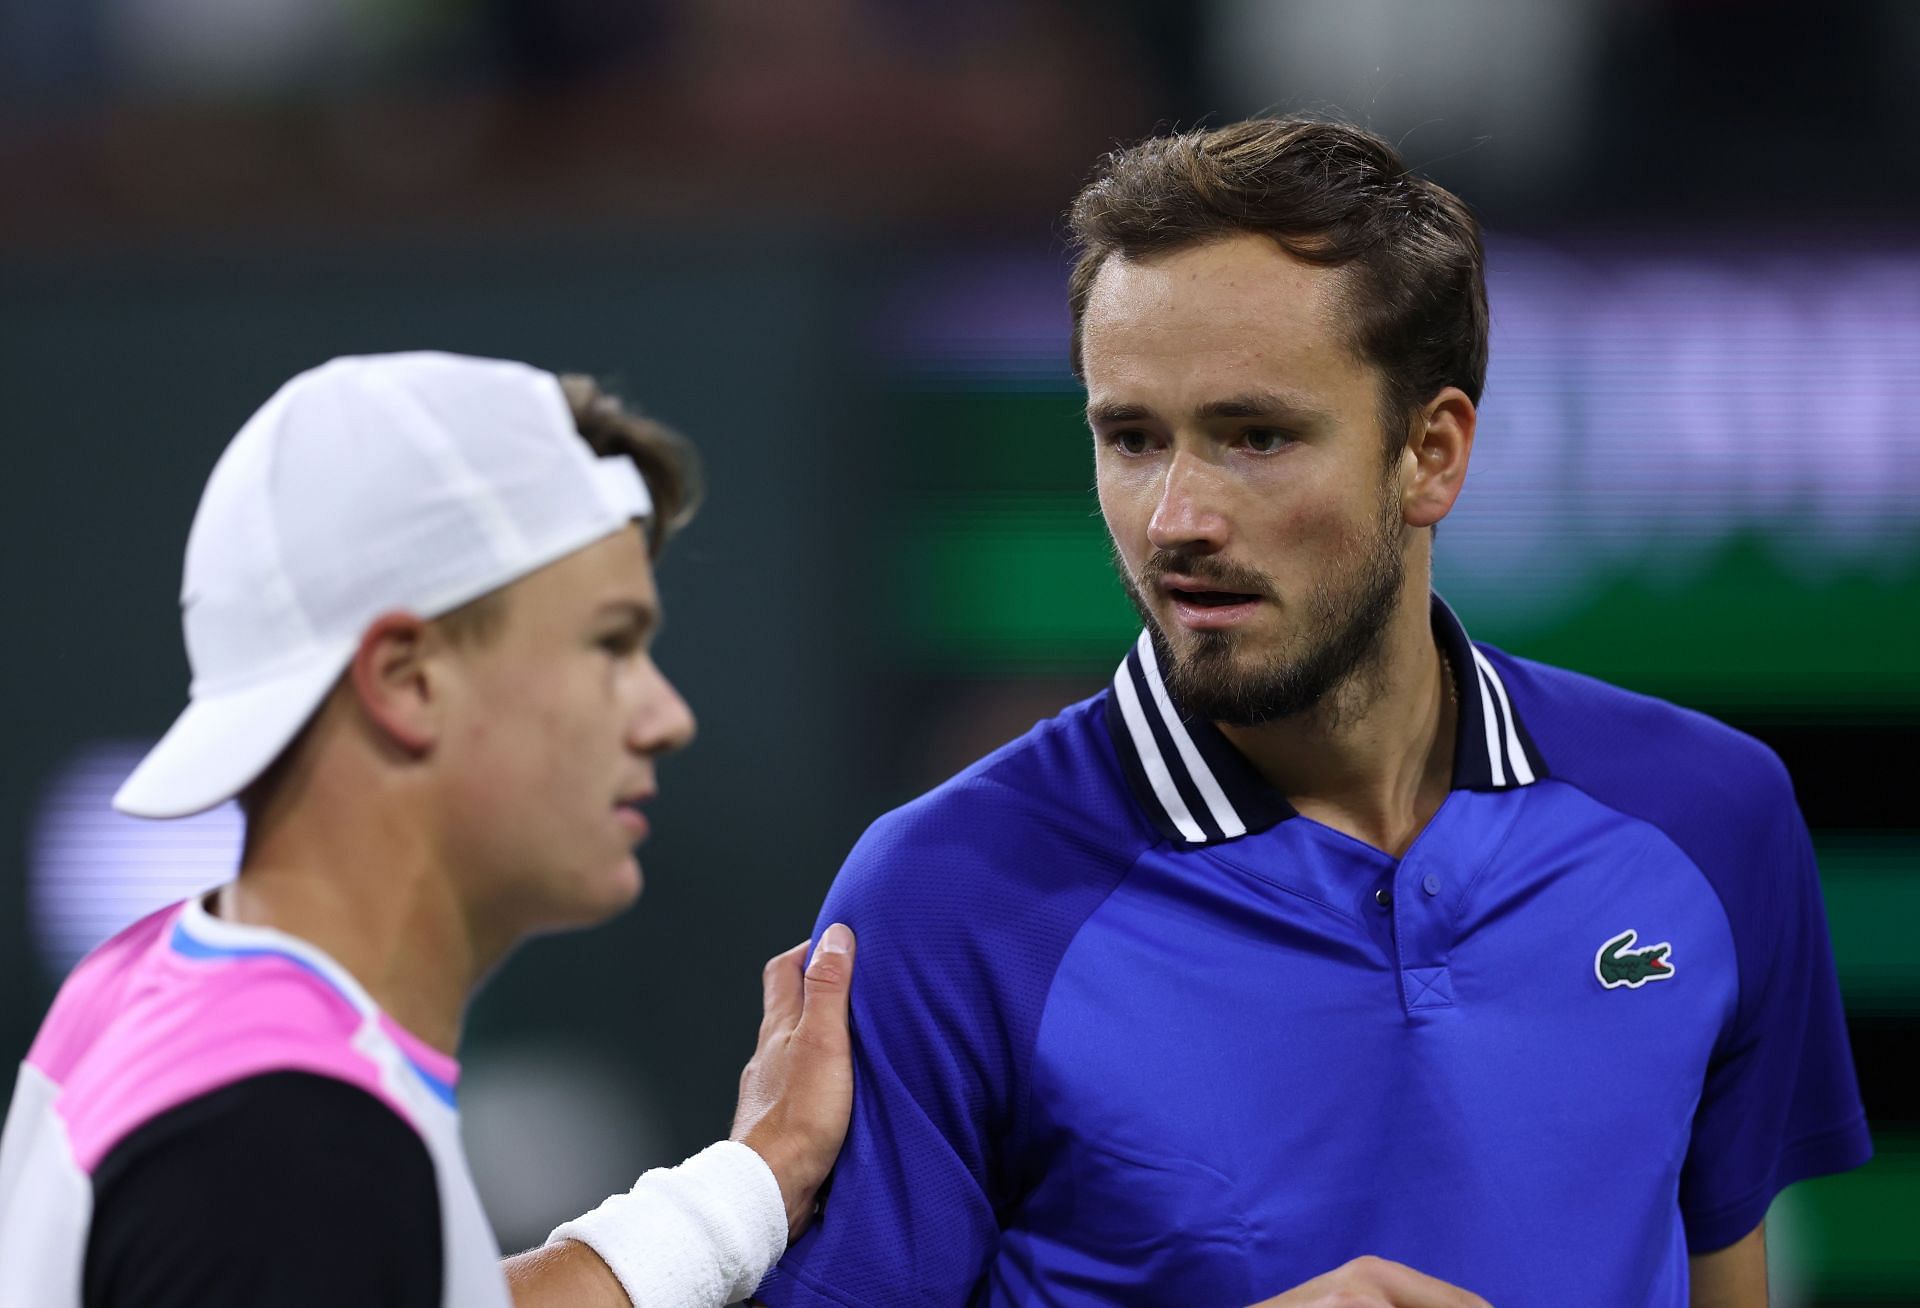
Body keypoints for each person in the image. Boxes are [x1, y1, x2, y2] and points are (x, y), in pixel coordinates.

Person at [758, 118, 1871, 1307]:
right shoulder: (945, 895)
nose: (1176, 516)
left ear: (1431, 455)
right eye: (1131, 438)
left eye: (1256, 437)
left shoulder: (1712, 815)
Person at [0, 352, 856, 1308]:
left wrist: (745, 1188)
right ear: (408, 680)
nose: (665, 716)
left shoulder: (158, 996)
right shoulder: (289, 1144)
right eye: (610, 644)